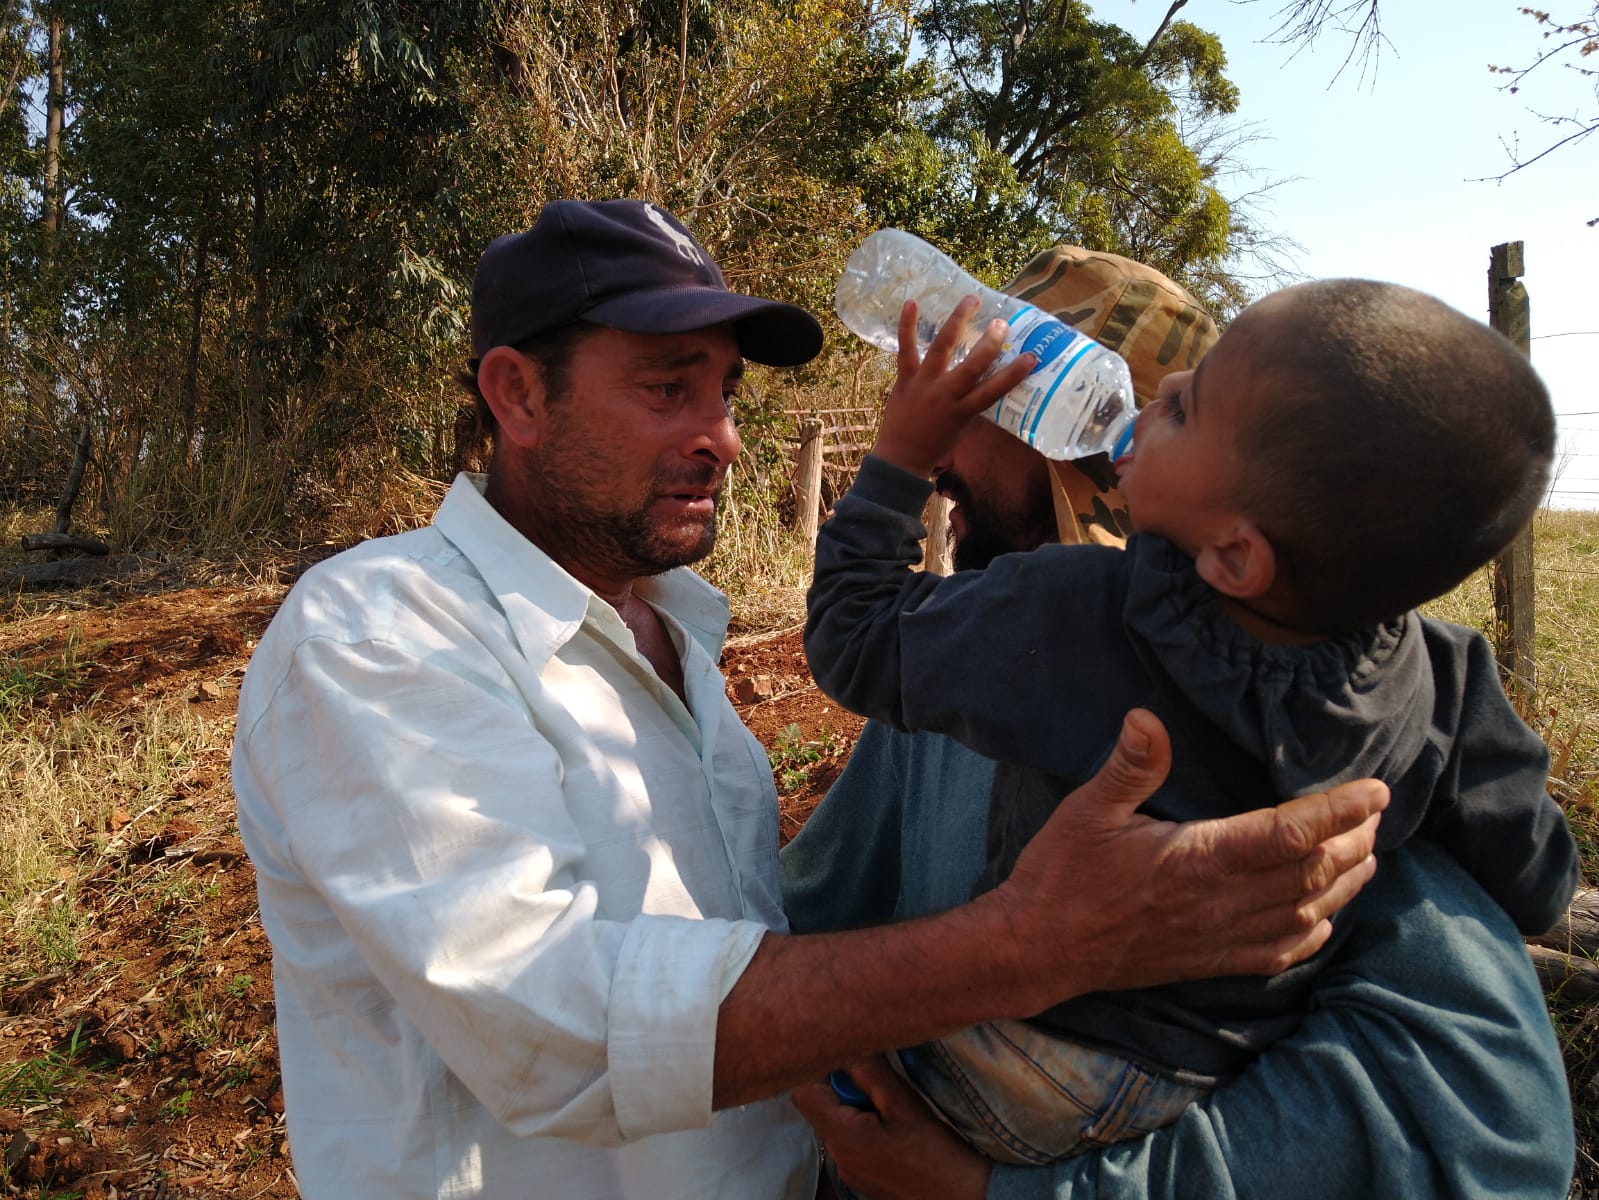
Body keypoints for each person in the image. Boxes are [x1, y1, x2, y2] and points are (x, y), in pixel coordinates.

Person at [230, 201, 1385, 1200]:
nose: (724, 439)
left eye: (725, 392)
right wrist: (1034, 946)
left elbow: (765, 948)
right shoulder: (382, 630)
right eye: (666, 388)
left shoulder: (676, 633)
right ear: (518, 396)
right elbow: (563, 1027)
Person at [784, 251, 1576, 1197]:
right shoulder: (1423, 693)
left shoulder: (1052, 625)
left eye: (983, 402)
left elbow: (1498, 1147)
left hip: (1019, 1099)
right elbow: (1531, 860)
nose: (947, 449)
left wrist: (980, 1190)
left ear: (1076, 442)